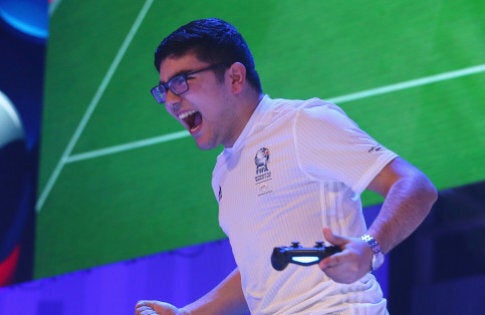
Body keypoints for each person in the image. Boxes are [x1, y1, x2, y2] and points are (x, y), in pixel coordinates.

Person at [136, 18, 437, 315]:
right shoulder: (222, 173)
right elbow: (264, 269)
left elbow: (413, 184)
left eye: (181, 82)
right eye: (164, 90)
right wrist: (189, 313)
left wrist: (370, 247)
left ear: (235, 78)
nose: (172, 101)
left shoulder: (301, 123)